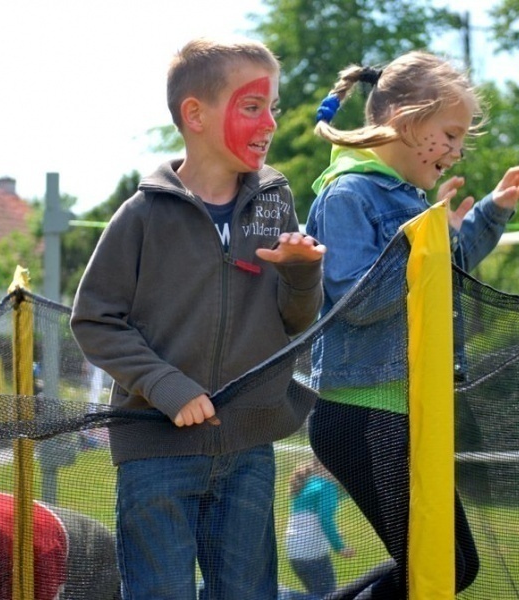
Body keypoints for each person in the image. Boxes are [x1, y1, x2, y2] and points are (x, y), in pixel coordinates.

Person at [69, 37, 325, 600]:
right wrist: (167, 386)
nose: (270, 123)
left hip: (248, 449)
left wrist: (303, 274)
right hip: (156, 451)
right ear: (195, 114)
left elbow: (295, 323)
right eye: (253, 106)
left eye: (273, 107)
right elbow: (95, 320)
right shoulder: (142, 215)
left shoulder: (276, 204)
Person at [304, 51, 519, 598]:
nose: (456, 151)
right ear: (405, 121)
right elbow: (358, 301)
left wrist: (489, 215)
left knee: (453, 566)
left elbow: (439, 277)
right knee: (436, 570)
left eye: (461, 140)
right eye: (450, 134)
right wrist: (428, 244)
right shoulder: (348, 194)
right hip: (363, 412)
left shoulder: (408, 199)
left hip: (407, 410)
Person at [284, 459, 355, 598]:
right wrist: (340, 546)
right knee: (328, 597)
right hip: (312, 555)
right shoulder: (327, 487)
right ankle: (282, 595)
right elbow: (325, 519)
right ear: (324, 466)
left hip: (295, 553)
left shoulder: (309, 484)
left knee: (317, 594)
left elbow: (308, 519)